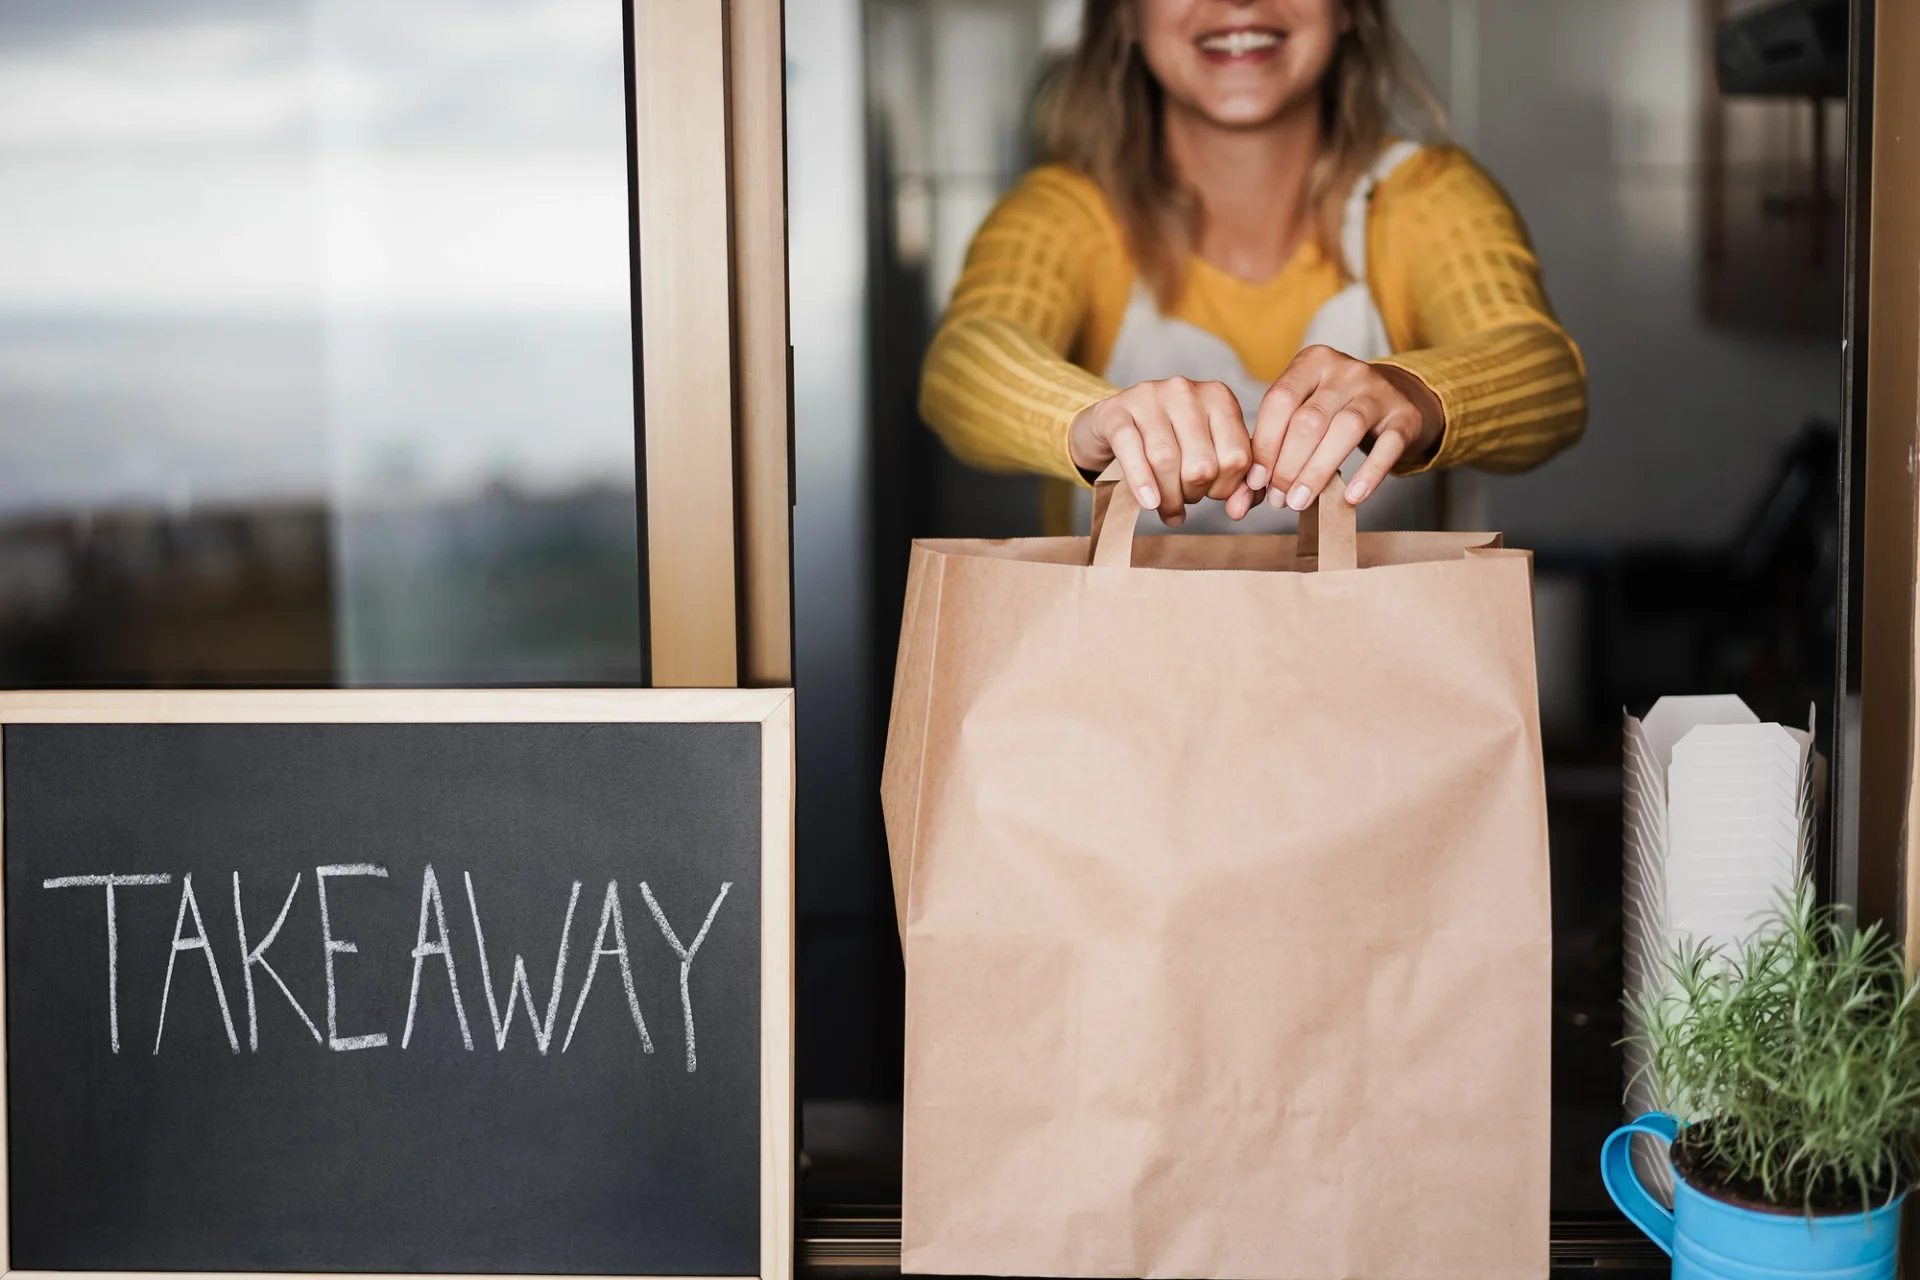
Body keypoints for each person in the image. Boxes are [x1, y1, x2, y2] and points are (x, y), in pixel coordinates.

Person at [919, 0, 1587, 532]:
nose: (1237, 2)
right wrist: (1096, 419)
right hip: (1115, 695)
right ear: (1124, 14)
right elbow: (963, 364)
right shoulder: (1063, 213)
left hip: (1390, 694)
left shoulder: (1428, 197)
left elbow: (1547, 373)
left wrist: (1412, 394)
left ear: (1350, 7)